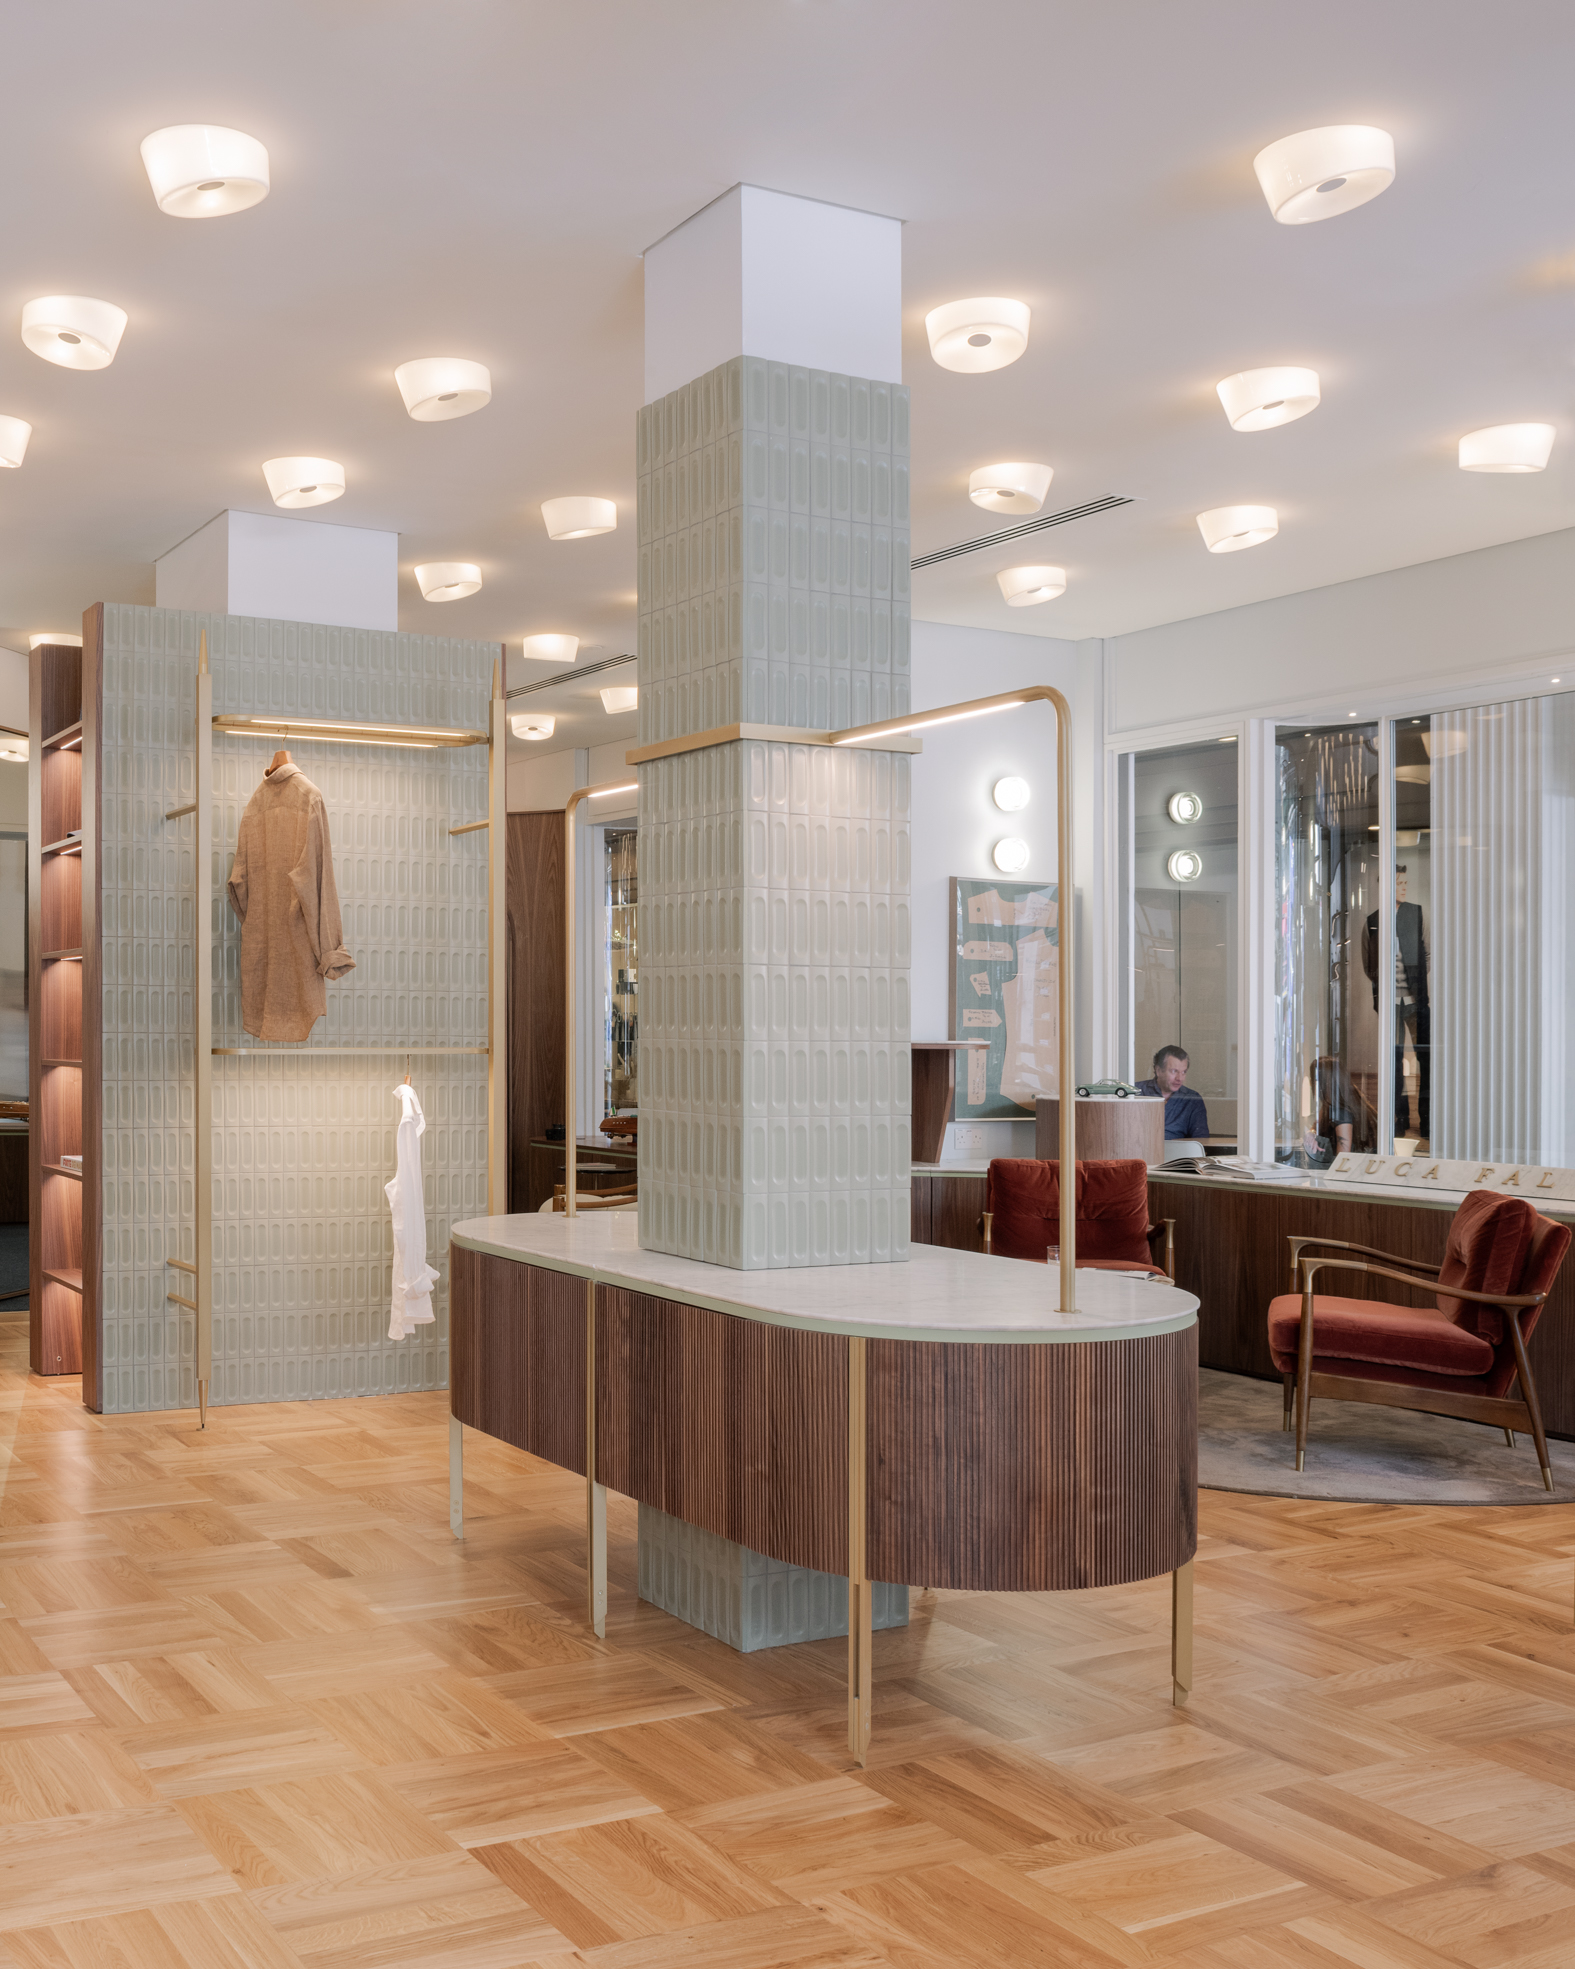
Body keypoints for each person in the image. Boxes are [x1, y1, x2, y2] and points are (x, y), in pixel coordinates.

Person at [1361, 864, 1430, 1141]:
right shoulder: (1373, 921)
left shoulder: (1417, 913)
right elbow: (1369, 964)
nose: (1404, 888)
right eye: (1399, 883)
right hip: (1390, 1004)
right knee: (1394, 1061)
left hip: (1416, 1002)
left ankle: (1427, 1121)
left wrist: (1415, 983)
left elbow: (1427, 954)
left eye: (1405, 883)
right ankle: (1399, 1121)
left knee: (1426, 1059)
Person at [1137, 1045, 1210, 1140]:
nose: (1179, 1078)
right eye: (1174, 1071)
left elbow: (1201, 1140)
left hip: (1178, 1149)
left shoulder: (1192, 1099)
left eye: (1184, 1072)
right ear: (1158, 1071)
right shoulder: (1136, 1092)